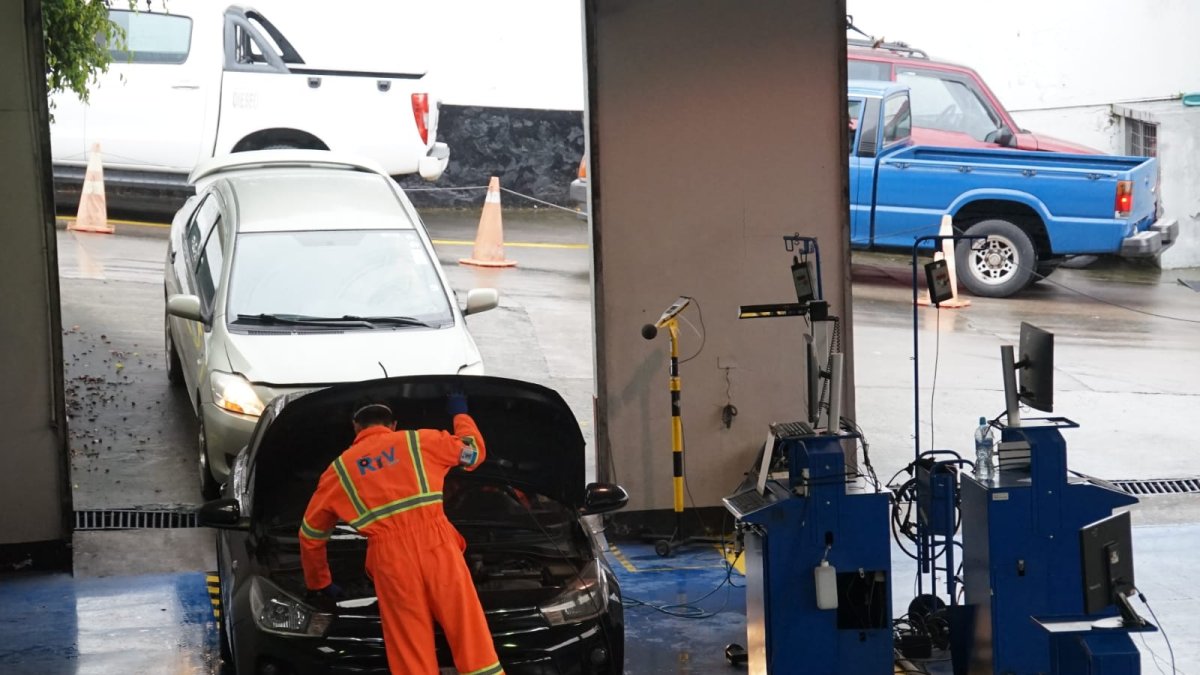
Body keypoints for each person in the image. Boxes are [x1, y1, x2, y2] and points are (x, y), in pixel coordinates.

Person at [298, 394, 503, 675]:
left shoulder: (339, 472)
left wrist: (321, 582)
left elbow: (310, 535)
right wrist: (460, 414)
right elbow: (473, 453)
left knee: (410, 649)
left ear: (356, 426)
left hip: (391, 562)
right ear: (393, 424)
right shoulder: (421, 442)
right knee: (470, 637)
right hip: (439, 547)